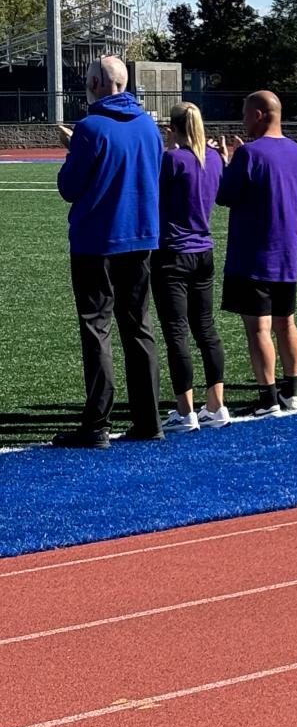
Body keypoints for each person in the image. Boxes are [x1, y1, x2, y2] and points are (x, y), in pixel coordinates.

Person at [53, 55, 164, 448]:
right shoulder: (149, 127)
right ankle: (148, 419)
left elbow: (69, 186)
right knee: (138, 326)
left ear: (99, 83)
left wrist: (73, 150)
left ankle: (97, 422)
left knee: (96, 327)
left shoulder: (89, 128)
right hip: (141, 236)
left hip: (96, 240)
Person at [213, 91, 297, 417]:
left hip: (253, 253)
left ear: (258, 115)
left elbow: (224, 195)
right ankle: (291, 392)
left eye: (245, 113)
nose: (243, 120)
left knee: (258, 329)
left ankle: (267, 397)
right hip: (287, 253)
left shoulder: (250, 154)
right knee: (287, 323)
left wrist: (227, 162)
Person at [152, 102, 229, 433]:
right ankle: (216, 404)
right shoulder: (212, 158)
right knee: (206, 329)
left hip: (172, 253)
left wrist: (168, 149)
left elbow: (152, 195)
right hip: (203, 251)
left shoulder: (172, 160)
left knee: (177, 332)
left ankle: (186, 411)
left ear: (173, 128)